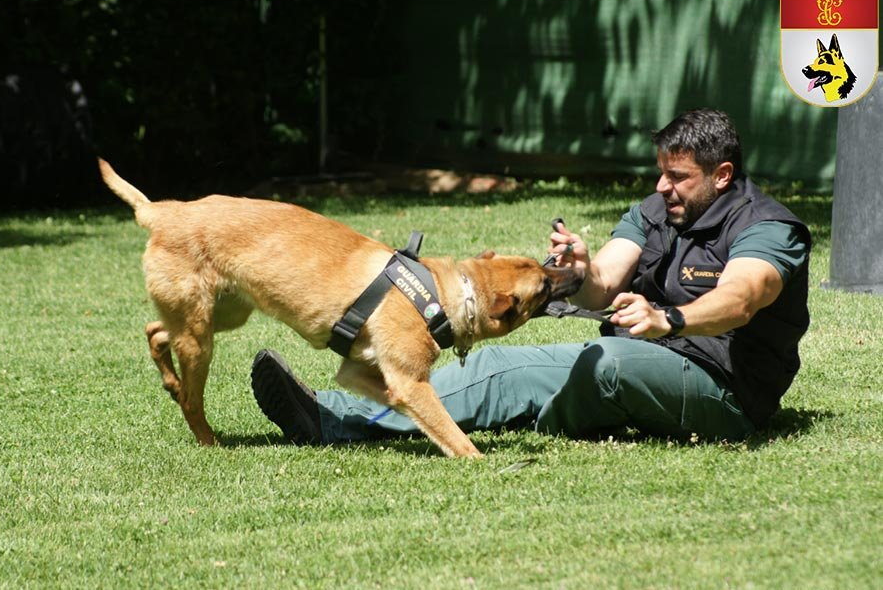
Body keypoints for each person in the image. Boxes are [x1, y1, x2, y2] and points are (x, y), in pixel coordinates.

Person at [250, 108, 811, 445]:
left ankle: (552, 413)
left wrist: (671, 318)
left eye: (677, 176)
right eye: (660, 173)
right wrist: (582, 267)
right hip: (647, 359)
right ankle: (330, 416)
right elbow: (602, 284)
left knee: (604, 365)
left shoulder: (767, 227)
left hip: (724, 390)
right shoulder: (658, 209)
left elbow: (742, 297)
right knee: (498, 364)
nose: (662, 187)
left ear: (723, 175)